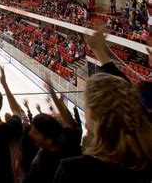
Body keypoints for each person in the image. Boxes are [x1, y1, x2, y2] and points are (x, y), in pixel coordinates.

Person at [54, 30, 152, 183]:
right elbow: (123, 91)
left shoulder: (73, 171)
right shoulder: (143, 158)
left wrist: (99, 50)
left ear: (92, 113)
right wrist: (99, 52)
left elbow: (123, 89)